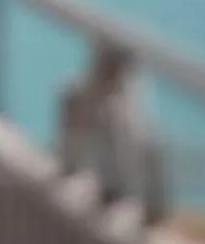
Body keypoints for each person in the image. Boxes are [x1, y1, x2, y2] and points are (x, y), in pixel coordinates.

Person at [58, 41, 167, 225]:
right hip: (94, 197)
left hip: (123, 207)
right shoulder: (77, 98)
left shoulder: (132, 118)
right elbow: (68, 163)